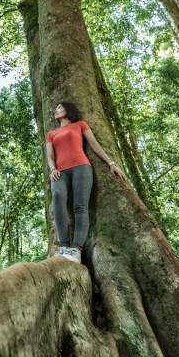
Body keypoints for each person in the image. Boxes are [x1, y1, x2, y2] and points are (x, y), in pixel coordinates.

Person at [45, 102, 126, 263]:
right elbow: (50, 155)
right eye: (55, 108)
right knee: (58, 197)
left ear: (68, 110)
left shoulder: (80, 125)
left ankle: (76, 250)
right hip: (60, 172)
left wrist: (111, 163)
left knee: (80, 206)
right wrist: (53, 169)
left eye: (59, 107)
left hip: (81, 168)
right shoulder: (51, 134)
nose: (56, 110)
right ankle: (63, 246)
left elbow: (94, 145)